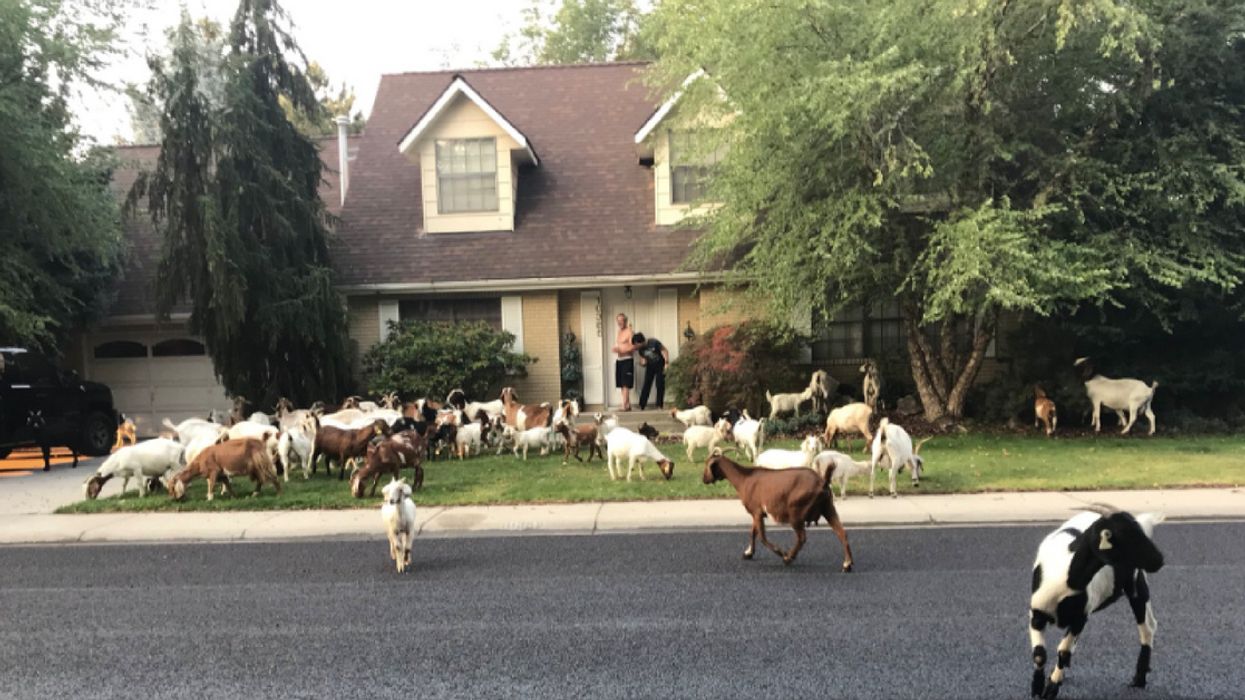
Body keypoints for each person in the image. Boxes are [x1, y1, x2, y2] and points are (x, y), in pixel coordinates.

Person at [630, 332, 669, 410]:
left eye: (636, 344)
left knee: (660, 384)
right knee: (646, 384)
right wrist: (642, 363)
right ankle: (642, 405)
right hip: (650, 366)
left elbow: (664, 350)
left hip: (660, 365)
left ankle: (659, 405)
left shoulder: (653, 342)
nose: (635, 347)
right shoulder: (640, 350)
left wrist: (666, 362)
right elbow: (643, 360)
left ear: (640, 342)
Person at [611, 313, 636, 411]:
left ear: (625, 321)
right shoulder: (619, 332)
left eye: (621, 320)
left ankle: (623, 405)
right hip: (619, 360)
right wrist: (616, 349)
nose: (619, 322)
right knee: (621, 383)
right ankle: (627, 404)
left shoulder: (630, 332)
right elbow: (620, 345)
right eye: (618, 321)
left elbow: (633, 347)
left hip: (627, 360)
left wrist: (621, 350)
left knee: (626, 383)